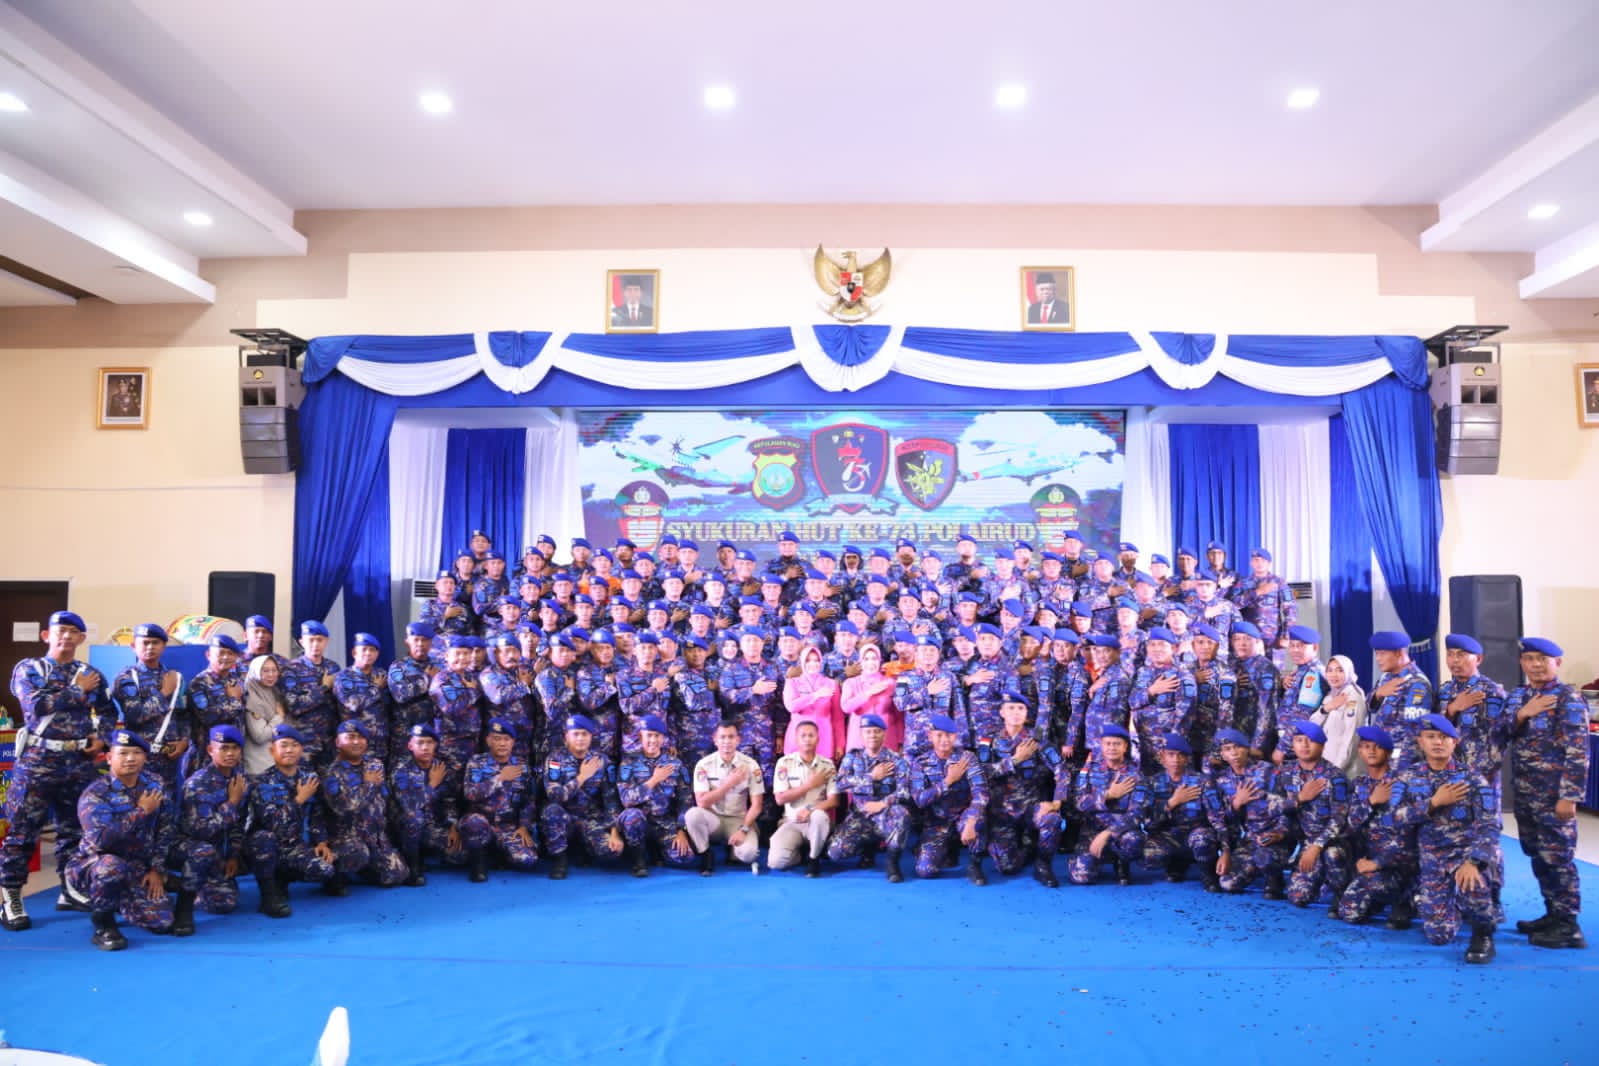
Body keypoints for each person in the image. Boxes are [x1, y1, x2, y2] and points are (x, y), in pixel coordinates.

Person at [3, 610, 110, 930]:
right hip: (37, 762)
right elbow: (35, 707)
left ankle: (70, 888)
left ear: (81, 638)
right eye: (60, 630)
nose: (66, 636)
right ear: (46, 635)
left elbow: (107, 710)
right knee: (23, 832)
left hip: (77, 762)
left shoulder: (91, 673)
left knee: (74, 831)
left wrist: (101, 737)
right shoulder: (30, 669)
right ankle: (10, 897)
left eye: (72, 632)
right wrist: (77, 689)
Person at [1394, 714, 1501, 963]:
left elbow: (1490, 825)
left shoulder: (1472, 778)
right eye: (1431, 737)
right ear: (1420, 741)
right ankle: (1450, 903)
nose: (1437, 742)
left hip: (1464, 856)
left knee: (1474, 883)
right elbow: (1394, 818)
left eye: (1444, 737)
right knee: (1439, 936)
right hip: (1432, 860)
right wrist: (1433, 803)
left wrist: (1474, 862)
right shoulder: (1408, 778)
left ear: (1455, 742)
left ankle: (1483, 932)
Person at [1506, 637, 1589, 949]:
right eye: (1529, 659)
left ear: (1558, 663)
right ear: (1522, 663)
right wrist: (1523, 713)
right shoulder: (1519, 696)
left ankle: (1569, 925)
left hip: (1554, 796)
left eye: (1543, 659)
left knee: (1558, 858)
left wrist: (1570, 796)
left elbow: (1578, 752)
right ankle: (1553, 913)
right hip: (1526, 794)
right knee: (1538, 856)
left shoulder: (1568, 699)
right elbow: (1501, 732)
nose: (1536, 665)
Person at [64, 729, 174, 950]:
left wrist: (156, 868)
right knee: (111, 866)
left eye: (136, 753)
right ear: (109, 758)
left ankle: (121, 899)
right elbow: (101, 840)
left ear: (145, 757)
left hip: (136, 865)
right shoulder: (96, 793)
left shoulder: (155, 784)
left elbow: (165, 828)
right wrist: (140, 811)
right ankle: (103, 923)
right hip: (95, 865)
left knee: (162, 922)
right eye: (123, 753)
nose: (130, 759)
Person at [244, 725, 335, 918]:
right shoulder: (262, 782)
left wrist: (321, 842)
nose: (289, 750)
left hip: (295, 846)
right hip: (268, 847)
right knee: (263, 838)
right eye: (283, 745)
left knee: (325, 869)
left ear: (302, 749)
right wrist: (299, 800)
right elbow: (272, 823)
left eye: (294, 745)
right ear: (272, 750)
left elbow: (317, 814)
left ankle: (283, 877)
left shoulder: (309, 778)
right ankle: (268, 897)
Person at [170, 724, 250, 934]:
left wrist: (233, 856)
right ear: (210, 750)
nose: (230, 753)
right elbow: (200, 830)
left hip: (216, 851)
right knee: (202, 851)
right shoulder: (198, 784)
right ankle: (183, 906)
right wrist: (231, 803)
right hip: (187, 847)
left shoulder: (241, 780)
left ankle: (196, 883)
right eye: (224, 748)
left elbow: (239, 823)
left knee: (224, 903)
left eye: (235, 748)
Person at [981, 689, 1064, 886]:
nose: (1016, 713)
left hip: (1030, 807)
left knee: (1052, 820)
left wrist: (1057, 802)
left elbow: (1062, 769)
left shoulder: (1037, 741)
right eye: (1011, 708)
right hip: (1002, 811)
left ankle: (1043, 864)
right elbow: (982, 773)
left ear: (1026, 714)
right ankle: (1026, 846)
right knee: (1007, 867)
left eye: (1020, 708)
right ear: (1002, 712)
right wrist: (1015, 760)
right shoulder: (989, 741)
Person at [1335, 726, 1416, 927]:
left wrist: (1377, 863)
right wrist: (1371, 802)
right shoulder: (1358, 784)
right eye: (1365, 746)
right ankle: (1376, 898)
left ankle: (1405, 900)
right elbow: (1348, 826)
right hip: (1368, 861)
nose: (1371, 751)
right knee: (1348, 913)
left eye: (1377, 747)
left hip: (1400, 864)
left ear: (1388, 752)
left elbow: (1409, 834)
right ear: (1360, 752)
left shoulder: (1403, 785)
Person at [318, 720, 409, 894]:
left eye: (361, 737)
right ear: (338, 742)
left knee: (398, 874)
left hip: (374, 835)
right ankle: (335, 876)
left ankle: (362, 869)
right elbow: (346, 807)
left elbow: (384, 798)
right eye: (350, 737)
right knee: (358, 853)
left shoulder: (374, 765)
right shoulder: (331, 773)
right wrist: (369, 784)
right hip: (347, 838)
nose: (356, 742)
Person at [1274, 721, 1350, 914]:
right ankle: (1318, 879)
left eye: (1310, 741)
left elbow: (1340, 819)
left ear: (1322, 746)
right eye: (1299, 740)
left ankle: (1341, 892)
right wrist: (1299, 798)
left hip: (1332, 842)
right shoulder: (1285, 772)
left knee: (1333, 854)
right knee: (1297, 897)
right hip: (1304, 842)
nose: (1304, 745)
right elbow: (1273, 807)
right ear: (1292, 744)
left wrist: (1317, 846)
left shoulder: (1335, 777)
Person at [826, 713, 911, 882]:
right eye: (868, 731)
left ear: (884, 734)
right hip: (860, 815)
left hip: (886, 814)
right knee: (834, 852)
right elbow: (839, 784)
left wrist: (882, 804)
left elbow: (905, 792)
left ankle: (892, 863)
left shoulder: (896, 760)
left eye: (877, 731)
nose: (872, 735)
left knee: (902, 814)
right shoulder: (852, 758)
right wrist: (871, 777)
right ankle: (868, 848)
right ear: (861, 734)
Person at [1207, 728, 1289, 897]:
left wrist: (1279, 834)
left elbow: (1287, 809)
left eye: (1238, 747)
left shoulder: (1268, 771)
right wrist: (1236, 804)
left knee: (1266, 858)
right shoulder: (1221, 780)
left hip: (1275, 838)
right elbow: (1221, 820)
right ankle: (1257, 869)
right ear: (1222, 755)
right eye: (1227, 749)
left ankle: (1275, 879)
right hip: (1250, 840)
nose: (1234, 753)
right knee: (1228, 883)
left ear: (1247, 749)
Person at [909, 714, 990, 884]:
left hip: (962, 816)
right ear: (930, 736)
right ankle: (946, 849)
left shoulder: (967, 758)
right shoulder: (920, 763)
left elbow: (981, 793)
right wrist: (948, 781)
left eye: (949, 735)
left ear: (955, 736)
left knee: (978, 820)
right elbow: (919, 800)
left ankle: (975, 865)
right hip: (937, 822)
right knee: (925, 871)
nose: (944, 740)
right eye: (939, 735)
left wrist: (971, 820)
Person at [541, 714, 624, 879]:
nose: (580, 738)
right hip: (565, 820)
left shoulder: (602, 761)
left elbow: (611, 800)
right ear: (567, 737)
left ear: (591, 736)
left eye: (584, 734)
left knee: (612, 851)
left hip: (591, 820)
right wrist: (582, 777)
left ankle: (585, 848)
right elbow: (554, 795)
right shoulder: (555, 760)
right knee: (551, 811)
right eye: (576, 734)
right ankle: (560, 859)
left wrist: (615, 833)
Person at [111, 622, 189, 794]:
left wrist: (184, 741)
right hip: (139, 758)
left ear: (163, 646)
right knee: (141, 801)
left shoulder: (175, 677)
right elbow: (134, 716)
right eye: (145, 643)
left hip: (169, 757)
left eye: (155, 643)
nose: (150, 647)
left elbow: (183, 714)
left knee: (167, 803)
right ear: (133, 646)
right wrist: (164, 693)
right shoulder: (126, 678)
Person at [460, 718, 540, 882]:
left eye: (506, 739)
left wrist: (524, 826)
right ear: (488, 740)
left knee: (528, 860)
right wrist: (499, 779)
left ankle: (498, 853)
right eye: (497, 739)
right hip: (481, 824)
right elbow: (469, 794)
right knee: (458, 850)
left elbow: (528, 801)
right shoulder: (476, 763)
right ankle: (479, 864)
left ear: (513, 742)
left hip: (507, 826)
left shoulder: (522, 766)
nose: (502, 743)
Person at [1068, 724, 1148, 886]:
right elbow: (1078, 803)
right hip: (1092, 832)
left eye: (1117, 744)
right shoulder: (1089, 770)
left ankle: (1122, 862)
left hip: (1121, 833)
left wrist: (1108, 833)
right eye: (1108, 743)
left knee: (1134, 840)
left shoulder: (1136, 774)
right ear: (1101, 745)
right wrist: (1108, 795)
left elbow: (1138, 813)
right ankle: (1094, 859)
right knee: (1081, 877)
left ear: (1125, 747)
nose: (1112, 748)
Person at [616, 714, 695, 875]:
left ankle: (658, 850)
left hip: (663, 822)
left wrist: (682, 830)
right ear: (640, 737)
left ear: (663, 738)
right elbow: (626, 800)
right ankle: (638, 859)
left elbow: (685, 800)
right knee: (632, 816)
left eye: (657, 736)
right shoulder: (628, 763)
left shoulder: (675, 764)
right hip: (639, 820)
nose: (653, 740)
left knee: (685, 857)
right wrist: (653, 780)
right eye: (649, 735)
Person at [387, 722, 462, 887]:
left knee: (460, 855)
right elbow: (410, 806)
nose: (425, 747)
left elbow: (449, 801)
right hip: (404, 827)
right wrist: (432, 785)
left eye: (429, 742)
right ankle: (412, 866)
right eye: (420, 743)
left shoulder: (440, 767)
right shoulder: (401, 770)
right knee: (414, 818)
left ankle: (426, 851)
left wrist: (452, 825)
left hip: (431, 826)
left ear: (436, 745)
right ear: (410, 746)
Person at [1143, 734, 1220, 891]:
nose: (1176, 760)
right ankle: (1176, 863)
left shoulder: (1202, 781)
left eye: (1181, 755)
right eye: (1170, 754)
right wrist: (1172, 802)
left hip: (1196, 833)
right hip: (1168, 835)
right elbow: (1148, 822)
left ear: (1187, 759)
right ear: (1162, 757)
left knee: (1202, 839)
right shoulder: (1152, 783)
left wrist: (1225, 851)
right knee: (1148, 855)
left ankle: (1208, 872)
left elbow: (1217, 817)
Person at [686, 722, 765, 873]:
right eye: (722, 737)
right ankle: (705, 854)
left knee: (748, 854)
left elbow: (757, 805)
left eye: (731, 737)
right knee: (692, 815)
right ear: (715, 740)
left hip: (738, 820)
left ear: (738, 740)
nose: (727, 741)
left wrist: (744, 829)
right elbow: (701, 802)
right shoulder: (704, 765)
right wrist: (729, 783)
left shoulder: (750, 765)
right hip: (713, 819)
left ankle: (733, 849)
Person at [768, 721, 838, 877]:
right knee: (775, 862)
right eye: (803, 736)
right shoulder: (784, 763)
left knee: (818, 816)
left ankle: (813, 859)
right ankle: (801, 854)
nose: (807, 739)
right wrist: (810, 785)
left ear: (818, 739)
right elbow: (780, 799)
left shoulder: (827, 765)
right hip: (791, 821)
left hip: (816, 822)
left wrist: (810, 809)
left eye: (811, 735)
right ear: (796, 739)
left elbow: (834, 800)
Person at [1366, 631, 1433, 768]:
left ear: (1399, 653)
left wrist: (1398, 766)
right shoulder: (1386, 677)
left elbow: (1414, 732)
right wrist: (1378, 693)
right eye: (1376, 654)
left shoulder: (1416, 682)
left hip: (1401, 761)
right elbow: (1369, 707)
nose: (1378, 659)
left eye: (1382, 654)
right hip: (1381, 754)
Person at [282, 621, 341, 768]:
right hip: (304, 742)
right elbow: (294, 706)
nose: (315, 644)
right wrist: (324, 687)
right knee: (305, 781)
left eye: (320, 640)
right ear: (302, 642)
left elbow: (339, 703)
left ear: (326, 642)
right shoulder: (291, 669)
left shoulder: (333, 668)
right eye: (311, 640)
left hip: (329, 742)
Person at [782, 645, 843, 762]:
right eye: (808, 660)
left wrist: (840, 744)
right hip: (797, 738)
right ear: (802, 662)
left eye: (816, 660)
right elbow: (791, 706)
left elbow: (838, 718)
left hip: (823, 738)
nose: (813, 664)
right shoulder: (792, 682)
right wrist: (815, 695)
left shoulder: (831, 684)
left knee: (822, 772)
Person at [1310, 654, 1366, 777]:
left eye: (1340, 670)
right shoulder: (1330, 696)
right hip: (1327, 765)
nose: (1333, 675)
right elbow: (1312, 726)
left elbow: (1351, 738)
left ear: (1348, 672)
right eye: (1330, 670)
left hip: (1346, 769)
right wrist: (1326, 708)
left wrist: (1335, 770)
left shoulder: (1352, 698)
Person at [241, 654, 290, 776]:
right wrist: (279, 717)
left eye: (274, 670)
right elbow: (259, 736)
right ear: (255, 672)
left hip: (274, 761)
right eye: (265, 671)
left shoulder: (273, 692)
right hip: (258, 766)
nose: (271, 675)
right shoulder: (252, 696)